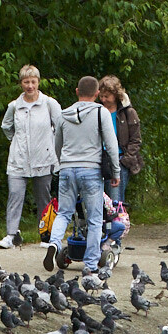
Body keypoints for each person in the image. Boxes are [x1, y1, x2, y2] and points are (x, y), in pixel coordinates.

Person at [42, 76, 119, 274]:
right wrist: (115, 172)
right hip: (91, 170)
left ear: (77, 91)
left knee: (64, 212)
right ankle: (91, 264)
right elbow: (111, 145)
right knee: (94, 219)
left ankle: (55, 244)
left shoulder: (63, 114)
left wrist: (63, 163)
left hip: (67, 169)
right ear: (96, 94)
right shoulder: (101, 112)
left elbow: (57, 144)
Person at [0, 65, 61, 248]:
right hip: (18, 160)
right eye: (26, 82)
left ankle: (46, 235)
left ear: (38, 82)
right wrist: (16, 142)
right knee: (15, 195)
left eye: (33, 82)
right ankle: (11, 235)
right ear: (21, 83)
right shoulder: (14, 106)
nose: (30, 86)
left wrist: (53, 148)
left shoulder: (49, 104)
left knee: (44, 197)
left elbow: (60, 127)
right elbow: (6, 127)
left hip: (44, 159)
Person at [97, 75, 142, 203]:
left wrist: (125, 161)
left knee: (115, 201)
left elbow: (136, 139)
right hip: (100, 159)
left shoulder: (128, 112)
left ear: (115, 95)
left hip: (120, 159)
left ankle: (117, 222)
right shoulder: (97, 111)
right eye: (101, 96)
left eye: (107, 96)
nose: (103, 99)